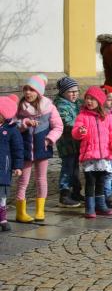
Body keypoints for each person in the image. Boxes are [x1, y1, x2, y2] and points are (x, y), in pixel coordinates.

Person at [13, 75, 62, 224]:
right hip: (24, 150)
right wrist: (24, 123)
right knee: (23, 181)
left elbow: (58, 127)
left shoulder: (49, 107)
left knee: (41, 179)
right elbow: (12, 125)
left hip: (42, 148)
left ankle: (40, 210)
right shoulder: (19, 108)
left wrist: (49, 139)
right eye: (26, 89)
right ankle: (20, 212)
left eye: (32, 89)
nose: (28, 92)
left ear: (39, 92)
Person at [71, 86, 112, 219]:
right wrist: (80, 132)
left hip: (104, 155)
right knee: (90, 182)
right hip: (89, 155)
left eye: (92, 99)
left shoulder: (108, 117)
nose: (89, 101)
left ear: (99, 101)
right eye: (87, 98)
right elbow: (75, 132)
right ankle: (90, 207)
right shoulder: (82, 116)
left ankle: (100, 205)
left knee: (101, 181)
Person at [53, 77, 83, 208]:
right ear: (63, 92)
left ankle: (76, 191)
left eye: (76, 91)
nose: (74, 94)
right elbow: (67, 122)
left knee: (75, 168)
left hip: (76, 143)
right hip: (66, 144)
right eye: (71, 91)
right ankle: (64, 194)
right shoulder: (60, 105)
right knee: (67, 168)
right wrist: (81, 127)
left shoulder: (77, 104)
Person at [0, 96, 24, 232]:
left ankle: (2, 218)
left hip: (4, 168)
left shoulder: (11, 130)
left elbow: (18, 149)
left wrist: (17, 166)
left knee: (2, 195)